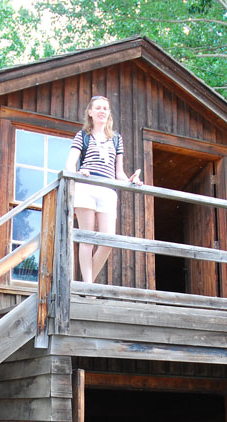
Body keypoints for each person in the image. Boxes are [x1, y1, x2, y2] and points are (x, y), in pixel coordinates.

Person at [65, 95, 143, 283]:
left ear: (109, 114)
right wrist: (79, 171)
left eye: (105, 108)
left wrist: (132, 181)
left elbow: (119, 172)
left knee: (107, 241)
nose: (102, 111)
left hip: (108, 191)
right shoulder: (82, 136)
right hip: (86, 188)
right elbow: (69, 165)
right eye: (98, 108)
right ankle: (89, 286)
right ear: (90, 113)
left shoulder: (116, 139)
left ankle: (87, 282)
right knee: (87, 238)